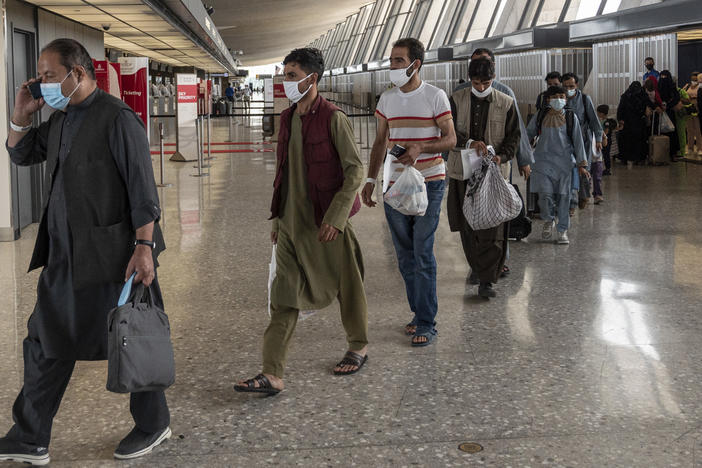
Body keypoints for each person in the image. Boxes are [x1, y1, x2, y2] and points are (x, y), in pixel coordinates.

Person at [0, 38, 170, 465]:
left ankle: (153, 424)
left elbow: (143, 190)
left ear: (78, 72)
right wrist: (21, 115)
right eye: (41, 76)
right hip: (64, 257)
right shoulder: (60, 120)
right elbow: (22, 154)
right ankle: (30, 435)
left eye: (51, 75)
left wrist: (145, 247)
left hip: (116, 257)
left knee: (131, 335)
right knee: (44, 340)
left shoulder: (118, 119)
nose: (44, 84)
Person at [235, 48, 369, 396]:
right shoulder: (288, 118)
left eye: (292, 76)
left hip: (326, 222)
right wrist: (277, 220)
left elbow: (355, 171)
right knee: (283, 295)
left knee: (347, 287)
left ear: (313, 78)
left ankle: (358, 345)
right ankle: (272, 372)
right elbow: (283, 173)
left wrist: (337, 217)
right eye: (285, 75)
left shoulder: (332, 118)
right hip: (291, 225)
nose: (285, 82)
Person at [361, 38, 456, 345]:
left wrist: (420, 147)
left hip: (429, 181)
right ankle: (418, 313)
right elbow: (380, 142)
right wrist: (371, 180)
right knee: (404, 255)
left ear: (416, 64)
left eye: (399, 61)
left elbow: (451, 138)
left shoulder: (434, 96)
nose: (393, 66)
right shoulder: (386, 99)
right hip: (394, 184)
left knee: (422, 250)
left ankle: (428, 321)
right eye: (391, 61)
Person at [456, 48, 533, 283]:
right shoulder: (459, 94)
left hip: (497, 167)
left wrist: (523, 159)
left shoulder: (505, 94)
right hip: (466, 167)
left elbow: (515, 130)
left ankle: (500, 262)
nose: (481, 86)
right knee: (469, 216)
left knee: (497, 215)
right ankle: (478, 265)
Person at [448, 57, 520, 298]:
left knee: (493, 226)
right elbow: (447, 132)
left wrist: (501, 156)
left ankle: (487, 280)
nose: (480, 87)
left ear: (494, 78)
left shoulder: (506, 102)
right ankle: (476, 268)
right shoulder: (456, 100)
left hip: (494, 175)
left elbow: (514, 137)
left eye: (486, 82)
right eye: (476, 83)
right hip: (463, 172)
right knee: (467, 225)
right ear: (470, 79)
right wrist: (468, 142)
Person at [527, 86, 587, 244]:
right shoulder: (540, 115)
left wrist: (582, 164)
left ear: (566, 100)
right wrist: (523, 157)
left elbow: (578, 141)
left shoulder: (570, 117)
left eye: (562, 96)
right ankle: (548, 220)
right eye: (555, 96)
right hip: (542, 162)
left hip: (564, 163)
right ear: (548, 99)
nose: (559, 99)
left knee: (564, 197)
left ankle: (562, 230)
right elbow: (528, 134)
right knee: (545, 195)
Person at [562, 72, 603, 210]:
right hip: (566, 143)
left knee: (583, 169)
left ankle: (584, 195)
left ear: (577, 85)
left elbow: (594, 121)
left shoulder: (585, 100)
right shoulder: (560, 100)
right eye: (565, 86)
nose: (568, 89)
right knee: (569, 170)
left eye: (571, 86)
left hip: (584, 142)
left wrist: (598, 139)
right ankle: (571, 201)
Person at [618, 81, 655, 167]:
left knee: (630, 140)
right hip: (635, 122)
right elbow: (621, 108)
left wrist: (620, 119)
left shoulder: (626, 96)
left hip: (632, 122)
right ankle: (636, 158)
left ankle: (629, 158)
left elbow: (621, 109)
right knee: (637, 141)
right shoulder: (640, 96)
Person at [657, 70, 682, 161]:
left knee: (672, 133)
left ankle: (673, 153)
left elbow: (676, 98)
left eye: (665, 77)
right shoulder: (659, 87)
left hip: (669, 112)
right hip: (661, 112)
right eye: (662, 77)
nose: (663, 79)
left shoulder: (672, 87)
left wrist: (668, 105)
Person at [597, 104, 618, 177]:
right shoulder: (603, 121)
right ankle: (605, 168)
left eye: (598, 113)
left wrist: (603, 138)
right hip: (604, 140)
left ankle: (608, 169)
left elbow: (606, 131)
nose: (598, 114)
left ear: (602, 113)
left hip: (606, 141)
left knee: (606, 155)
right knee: (604, 154)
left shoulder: (606, 122)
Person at [683, 71, 701, 155]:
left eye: (695, 79)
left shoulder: (700, 87)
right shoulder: (687, 86)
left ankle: (700, 148)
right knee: (689, 130)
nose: (693, 81)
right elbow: (682, 93)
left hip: (697, 110)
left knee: (698, 130)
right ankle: (690, 147)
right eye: (692, 79)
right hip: (688, 110)